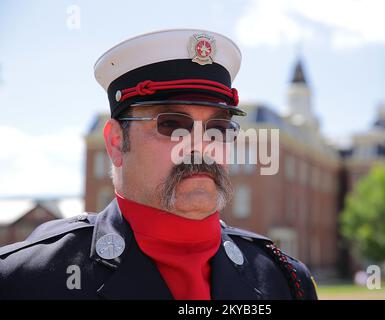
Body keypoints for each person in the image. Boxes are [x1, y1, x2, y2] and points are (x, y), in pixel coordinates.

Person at [0, 29, 318, 300]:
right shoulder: (25, 280)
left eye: (218, 128)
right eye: (171, 124)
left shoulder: (286, 281)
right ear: (115, 142)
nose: (200, 145)